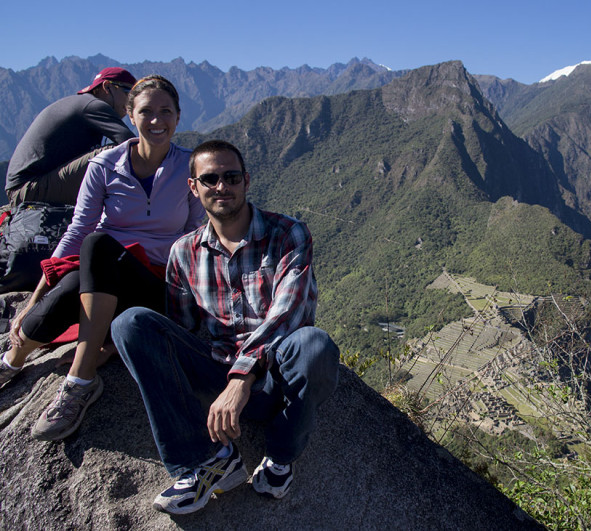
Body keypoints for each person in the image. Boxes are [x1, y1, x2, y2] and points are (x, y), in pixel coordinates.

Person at [110, 140, 339, 514]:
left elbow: (289, 313)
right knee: (130, 325)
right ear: (193, 187)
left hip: (275, 377)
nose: (221, 186)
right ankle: (207, 460)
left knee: (314, 345)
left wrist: (241, 379)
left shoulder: (287, 234)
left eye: (231, 177)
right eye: (210, 178)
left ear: (246, 181)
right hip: (216, 372)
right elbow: (179, 331)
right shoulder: (183, 252)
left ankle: (280, 456)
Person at [0, 75, 205, 442]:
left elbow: (194, 236)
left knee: (97, 245)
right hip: (101, 277)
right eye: (146, 111)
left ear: (177, 117)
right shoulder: (105, 166)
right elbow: (76, 231)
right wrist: (34, 300)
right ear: (130, 115)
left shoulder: (190, 168)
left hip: (156, 284)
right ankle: (11, 361)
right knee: (74, 279)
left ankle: (79, 381)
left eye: (165, 112)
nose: (157, 120)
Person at [5, 67, 138, 206]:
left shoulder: (82, 103)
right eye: (128, 93)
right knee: (114, 153)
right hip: (28, 188)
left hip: (26, 187)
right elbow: (132, 145)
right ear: (107, 87)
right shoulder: (93, 105)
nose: (132, 103)